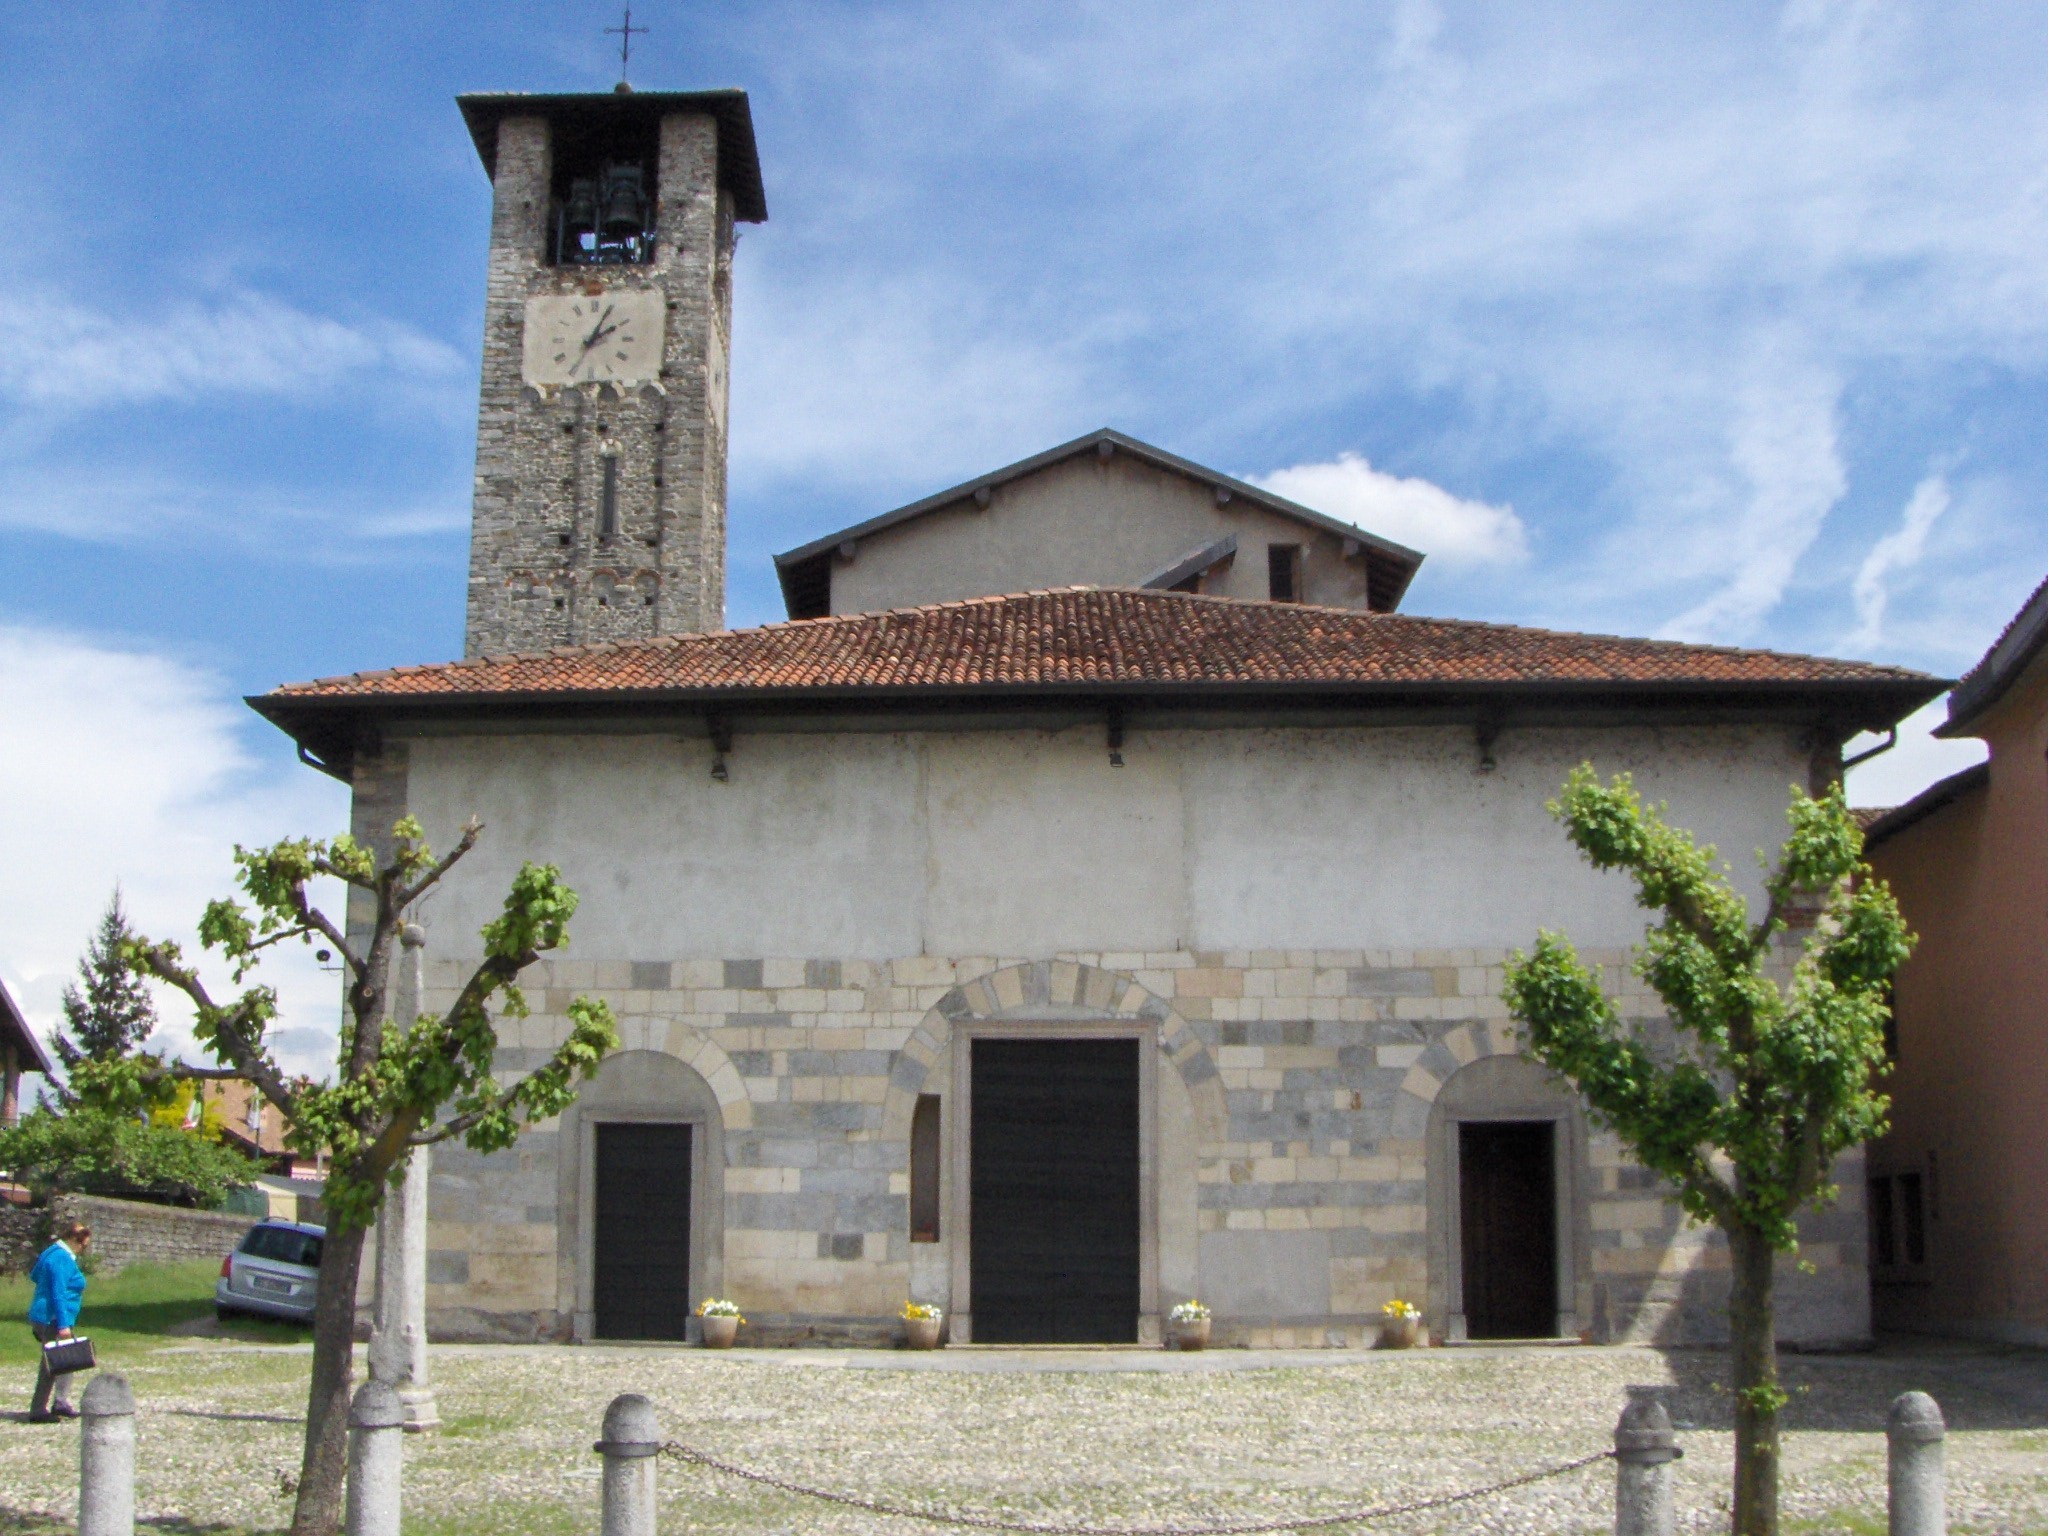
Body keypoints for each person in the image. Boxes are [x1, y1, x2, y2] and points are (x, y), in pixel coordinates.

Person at [27, 1220, 91, 1423]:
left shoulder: (51, 1252)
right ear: (74, 1240)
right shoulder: (62, 1259)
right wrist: (63, 1324)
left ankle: (61, 1402)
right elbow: (58, 1293)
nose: (83, 1249)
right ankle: (38, 1410)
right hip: (53, 1319)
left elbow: (35, 1275)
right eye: (83, 1245)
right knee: (51, 1363)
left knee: (67, 1358)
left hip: (46, 1316)